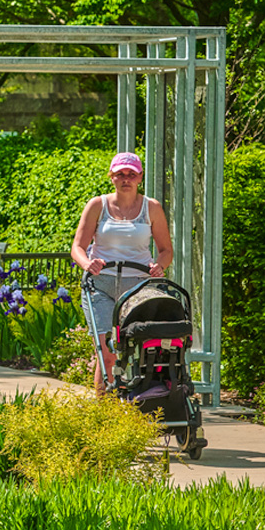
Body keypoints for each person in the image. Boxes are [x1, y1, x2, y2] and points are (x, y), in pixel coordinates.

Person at [70, 151, 173, 396]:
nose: (125, 178)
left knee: (140, 349)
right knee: (107, 353)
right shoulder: (97, 205)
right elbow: (77, 247)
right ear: (112, 177)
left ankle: (139, 400)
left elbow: (166, 250)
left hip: (138, 286)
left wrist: (160, 266)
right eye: (120, 174)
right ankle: (105, 413)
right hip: (101, 285)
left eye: (131, 174)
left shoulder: (152, 208)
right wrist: (87, 264)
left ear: (140, 178)